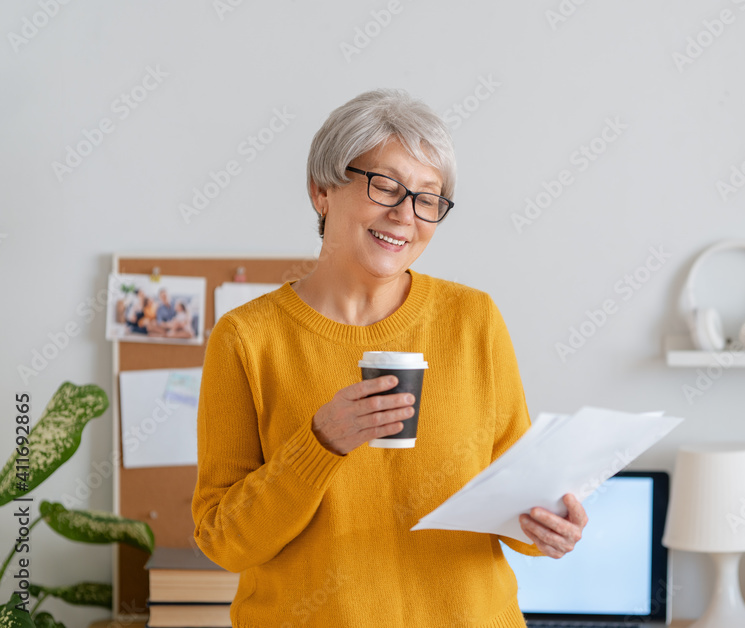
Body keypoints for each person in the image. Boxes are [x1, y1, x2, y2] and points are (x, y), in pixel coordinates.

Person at [192, 89, 588, 628]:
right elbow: (224, 542)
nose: (406, 215)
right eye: (386, 186)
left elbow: (514, 500)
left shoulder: (473, 319)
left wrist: (546, 529)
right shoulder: (247, 338)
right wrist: (319, 446)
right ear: (322, 190)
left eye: (429, 198)